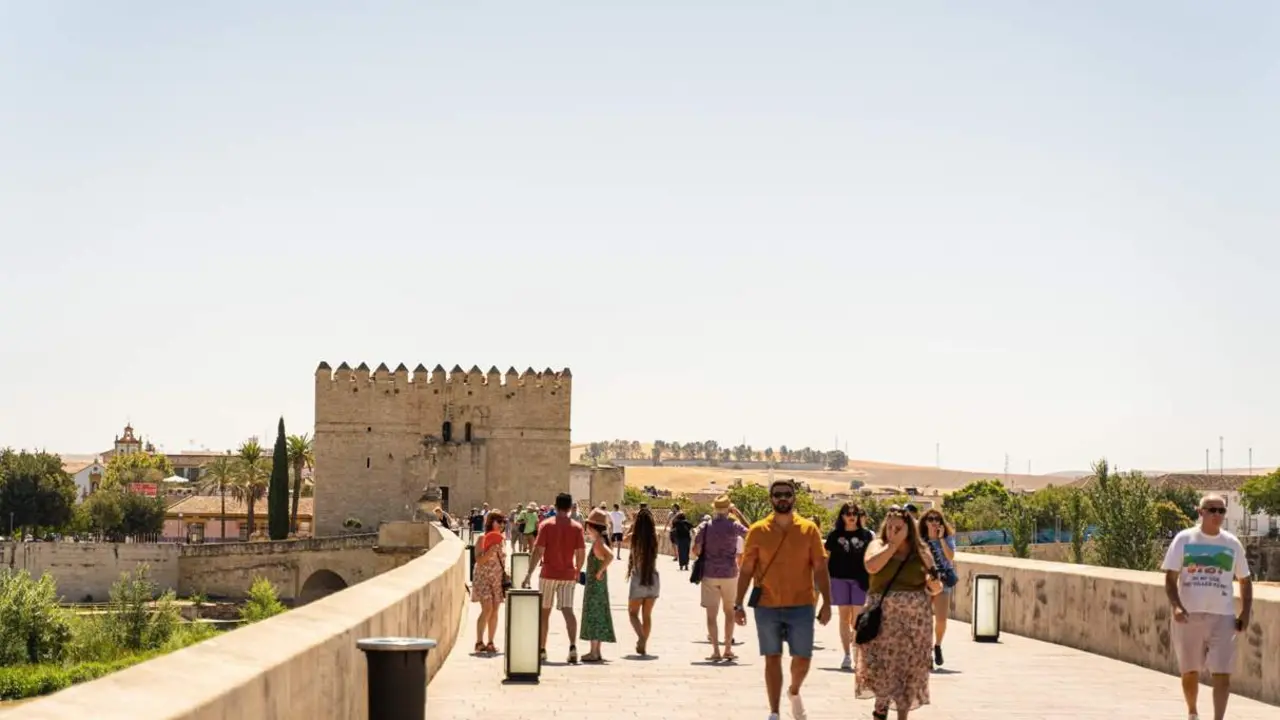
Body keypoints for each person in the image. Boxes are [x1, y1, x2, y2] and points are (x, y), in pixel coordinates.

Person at [734, 479, 832, 720]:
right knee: (772, 657)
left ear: (794, 498)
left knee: (803, 658)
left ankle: (794, 690)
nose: (782, 499)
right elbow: (746, 569)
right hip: (767, 604)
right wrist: (738, 603)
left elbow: (820, 568)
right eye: (777, 495)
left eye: (787, 494)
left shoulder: (809, 530)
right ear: (771, 499)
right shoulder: (758, 531)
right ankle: (774, 711)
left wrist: (828, 603)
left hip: (801, 604)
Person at [1162, 494, 1253, 720]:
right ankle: (1192, 711)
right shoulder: (1185, 539)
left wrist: (1245, 612)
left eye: (1221, 511)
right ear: (1200, 512)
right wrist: (1176, 606)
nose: (1217, 515)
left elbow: (1245, 580)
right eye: (1212, 510)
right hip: (1189, 616)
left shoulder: (1232, 544)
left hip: (1223, 615)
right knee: (1189, 670)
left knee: (1223, 672)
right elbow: (1170, 578)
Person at [857, 506, 943, 719]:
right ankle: (881, 708)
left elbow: (937, 586)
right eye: (890, 527)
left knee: (908, 672)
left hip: (914, 623)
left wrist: (933, 584)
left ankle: (902, 715)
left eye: (899, 528)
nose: (893, 531)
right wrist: (892, 545)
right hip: (882, 623)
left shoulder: (921, 552)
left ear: (909, 529)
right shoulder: (877, 545)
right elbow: (872, 567)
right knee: (882, 669)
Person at [522, 493, 587, 664]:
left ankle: (542, 649)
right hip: (568, 574)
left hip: (548, 574)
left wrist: (529, 573)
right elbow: (581, 553)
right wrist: (577, 570)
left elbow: (538, 551)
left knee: (545, 612)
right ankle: (573, 647)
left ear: (556, 506)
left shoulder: (546, 525)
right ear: (570, 507)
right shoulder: (577, 527)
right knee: (568, 610)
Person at [692, 495, 750, 661]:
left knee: (711, 615)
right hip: (730, 573)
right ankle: (728, 649)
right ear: (729, 509)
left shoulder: (705, 526)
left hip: (710, 573)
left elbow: (696, 550)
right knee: (729, 613)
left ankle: (716, 651)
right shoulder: (734, 525)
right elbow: (752, 533)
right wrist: (738, 514)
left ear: (714, 509)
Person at [825, 502, 874, 671]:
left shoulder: (867, 535)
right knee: (843, 617)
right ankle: (846, 654)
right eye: (847, 513)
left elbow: (872, 558)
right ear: (842, 516)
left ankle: (856, 650)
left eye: (854, 513)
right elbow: (826, 558)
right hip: (839, 579)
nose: (851, 516)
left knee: (857, 619)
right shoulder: (834, 535)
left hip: (860, 580)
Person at [919, 507, 956, 667]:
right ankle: (926, 652)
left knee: (941, 619)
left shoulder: (947, 539)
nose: (934, 522)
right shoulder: (920, 540)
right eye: (931, 519)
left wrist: (940, 539)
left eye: (937, 519)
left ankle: (938, 645)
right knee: (925, 619)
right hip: (925, 582)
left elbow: (951, 557)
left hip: (943, 580)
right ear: (925, 522)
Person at [580, 508, 617, 662]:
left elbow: (610, 556)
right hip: (598, 586)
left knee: (594, 615)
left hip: (595, 587)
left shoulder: (598, 543)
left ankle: (594, 652)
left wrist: (600, 571)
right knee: (599, 615)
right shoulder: (600, 541)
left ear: (592, 527)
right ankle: (596, 651)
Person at [470, 512, 508, 655]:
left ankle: (491, 642)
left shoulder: (502, 539)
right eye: (499, 521)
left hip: (497, 580)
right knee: (487, 608)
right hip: (483, 578)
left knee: (495, 610)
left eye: (503, 522)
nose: (502, 524)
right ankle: (479, 642)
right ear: (491, 522)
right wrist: (490, 551)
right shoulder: (482, 538)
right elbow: (479, 560)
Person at [625, 507, 660, 655]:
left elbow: (623, 538)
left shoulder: (633, 537)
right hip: (653, 579)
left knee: (633, 614)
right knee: (647, 615)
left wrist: (633, 525)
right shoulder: (655, 537)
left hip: (638, 578)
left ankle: (641, 638)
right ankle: (643, 643)